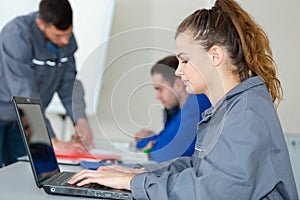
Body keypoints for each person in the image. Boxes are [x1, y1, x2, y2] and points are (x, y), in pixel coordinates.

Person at [69, 0, 298, 199]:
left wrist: (132, 183)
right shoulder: (230, 108)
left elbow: (211, 193)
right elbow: (198, 169)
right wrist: (140, 173)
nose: (178, 71)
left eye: (185, 60)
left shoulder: (246, 114)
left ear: (215, 56)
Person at [0, 0, 93, 167]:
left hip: (22, 122)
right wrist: (50, 139)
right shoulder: (16, 35)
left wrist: (80, 119)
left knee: (23, 171)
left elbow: (69, 84)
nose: (65, 41)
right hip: (5, 112)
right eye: (58, 35)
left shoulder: (66, 40)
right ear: (40, 24)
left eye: (68, 33)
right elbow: (25, 93)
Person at [135, 56, 211, 162]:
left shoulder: (197, 105)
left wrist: (147, 145)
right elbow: (162, 140)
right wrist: (148, 143)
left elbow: (165, 154)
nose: (157, 96)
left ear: (178, 85)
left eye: (160, 89)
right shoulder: (177, 111)